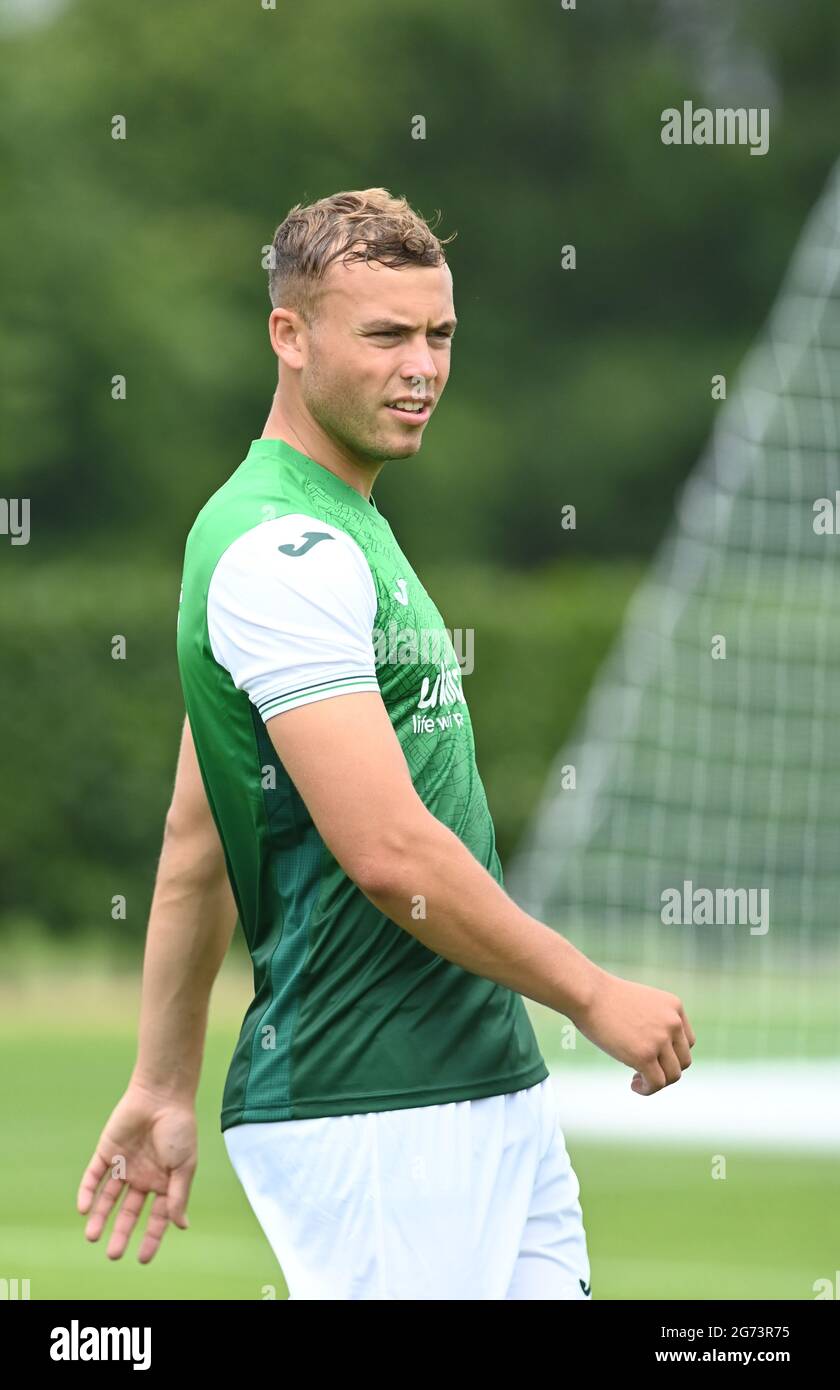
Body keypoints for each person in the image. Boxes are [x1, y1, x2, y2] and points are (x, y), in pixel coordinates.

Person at [77, 187, 695, 1299]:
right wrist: (589, 991)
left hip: (475, 1081)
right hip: (374, 1101)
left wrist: (164, 1080)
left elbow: (198, 837)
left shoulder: (342, 522)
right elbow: (389, 854)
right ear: (290, 335)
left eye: (439, 334)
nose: (421, 366)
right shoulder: (283, 548)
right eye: (386, 335)